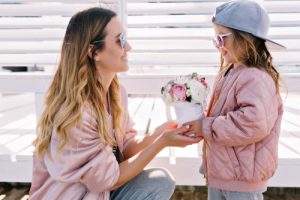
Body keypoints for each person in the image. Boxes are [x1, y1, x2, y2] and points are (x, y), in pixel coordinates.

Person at [29, 7, 202, 200]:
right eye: (120, 40)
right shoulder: (77, 113)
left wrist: (157, 134)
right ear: (94, 52)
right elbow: (108, 180)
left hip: (99, 193)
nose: (129, 47)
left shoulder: (116, 92)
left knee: (159, 182)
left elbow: (122, 150)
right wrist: (162, 143)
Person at [184, 1, 285, 199]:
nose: (218, 46)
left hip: (242, 180)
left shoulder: (255, 77)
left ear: (246, 40)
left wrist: (205, 126)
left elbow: (252, 123)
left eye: (221, 39)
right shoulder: (230, 72)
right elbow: (225, 114)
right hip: (224, 174)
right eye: (215, 40)